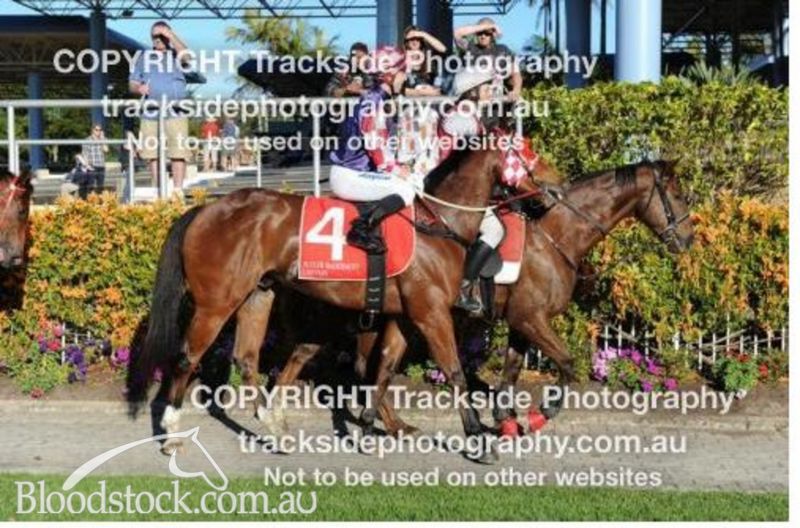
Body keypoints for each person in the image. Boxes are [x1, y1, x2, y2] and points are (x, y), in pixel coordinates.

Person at [329, 46, 420, 254]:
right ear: (390, 75)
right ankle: (360, 229)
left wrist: (400, 166)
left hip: (357, 172)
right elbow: (376, 149)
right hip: (350, 175)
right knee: (407, 189)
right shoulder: (373, 103)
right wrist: (397, 170)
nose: (405, 77)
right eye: (402, 72)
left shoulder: (379, 99)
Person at [440, 68, 507, 315]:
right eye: (487, 87)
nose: (491, 91)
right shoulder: (462, 119)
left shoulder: (471, 116)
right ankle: (464, 287)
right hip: (447, 191)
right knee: (495, 230)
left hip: (459, 188)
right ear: (472, 92)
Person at [129, 21, 191, 199]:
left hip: (176, 111)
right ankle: (159, 191)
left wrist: (171, 36)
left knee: (178, 153)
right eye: (153, 36)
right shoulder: (143, 57)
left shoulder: (177, 54)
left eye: (160, 35)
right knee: (152, 154)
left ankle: (178, 191)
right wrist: (138, 88)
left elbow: (187, 58)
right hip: (150, 112)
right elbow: (132, 83)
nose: (157, 39)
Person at [454, 17, 522, 101]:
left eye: (487, 33)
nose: (483, 36)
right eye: (480, 33)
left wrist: (516, 90)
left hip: (495, 98)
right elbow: (456, 33)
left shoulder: (502, 50)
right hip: (472, 99)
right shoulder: (470, 48)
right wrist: (489, 26)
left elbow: (515, 73)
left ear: (493, 34)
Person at [397, 26, 446, 96]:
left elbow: (443, 49)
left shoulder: (429, 58)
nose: (414, 41)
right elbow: (398, 89)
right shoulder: (401, 60)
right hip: (409, 100)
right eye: (411, 39)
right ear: (406, 41)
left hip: (431, 99)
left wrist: (423, 34)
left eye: (417, 38)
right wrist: (421, 92)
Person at [74, 123, 107, 199]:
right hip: (92, 166)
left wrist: (102, 140)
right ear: (92, 130)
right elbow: (85, 154)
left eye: (100, 130)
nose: (98, 132)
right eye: (96, 130)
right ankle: (90, 200)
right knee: (91, 186)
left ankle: (100, 201)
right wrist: (87, 165)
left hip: (101, 165)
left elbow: (106, 150)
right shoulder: (87, 140)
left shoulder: (103, 139)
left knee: (100, 186)